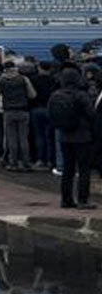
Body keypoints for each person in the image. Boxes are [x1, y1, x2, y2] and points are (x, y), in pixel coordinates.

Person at [50, 68, 96, 210]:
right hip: (82, 136)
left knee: (68, 169)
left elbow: (50, 112)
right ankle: (83, 200)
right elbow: (91, 114)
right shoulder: (81, 95)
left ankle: (66, 199)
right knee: (84, 169)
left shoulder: (56, 95)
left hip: (64, 136)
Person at [0, 61, 37, 171]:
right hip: (23, 111)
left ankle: (13, 163)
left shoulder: (1, 80)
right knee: (23, 138)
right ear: (15, 68)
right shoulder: (24, 79)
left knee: (11, 138)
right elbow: (32, 95)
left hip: (8, 112)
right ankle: (26, 163)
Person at [30, 61, 57, 168]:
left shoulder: (33, 80)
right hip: (50, 109)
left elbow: (31, 95)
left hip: (36, 109)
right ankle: (51, 160)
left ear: (40, 68)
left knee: (38, 135)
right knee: (50, 135)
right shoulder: (54, 80)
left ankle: (40, 159)